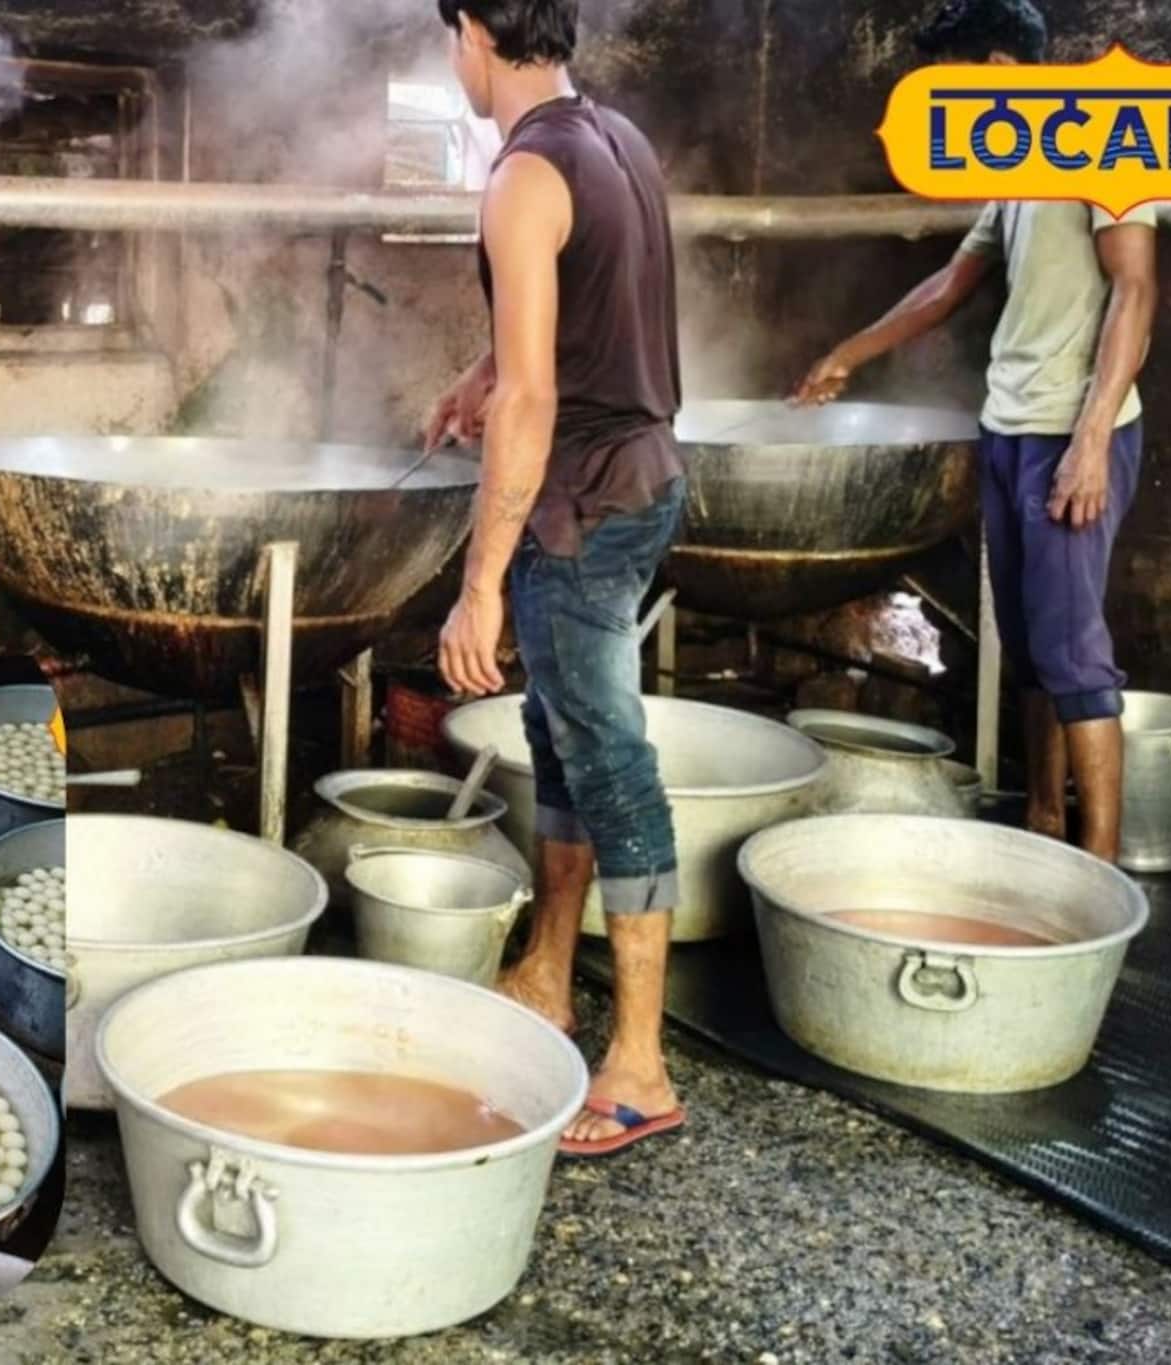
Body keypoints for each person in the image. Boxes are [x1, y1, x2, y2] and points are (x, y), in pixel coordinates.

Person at [795, 0, 1157, 864]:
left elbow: (1136, 291)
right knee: (1031, 648)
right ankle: (1044, 823)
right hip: (1012, 431)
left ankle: (1101, 875)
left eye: (948, 88)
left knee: (1073, 655)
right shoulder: (1018, 164)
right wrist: (848, 354)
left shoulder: (1106, 139)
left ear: (995, 72)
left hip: (1073, 435)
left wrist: (1091, 440)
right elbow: (951, 283)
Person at [426, 0, 686, 1157]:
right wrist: (477, 373)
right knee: (563, 734)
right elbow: (569, 318)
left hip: (580, 503)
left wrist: (479, 582)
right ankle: (544, 970)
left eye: (450, 39)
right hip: (641, 476)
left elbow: (537, 398)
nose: (452, 61)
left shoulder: (521, 176)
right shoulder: (614, 138)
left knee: (610, 765)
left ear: (475, 32)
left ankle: (639, 1067)